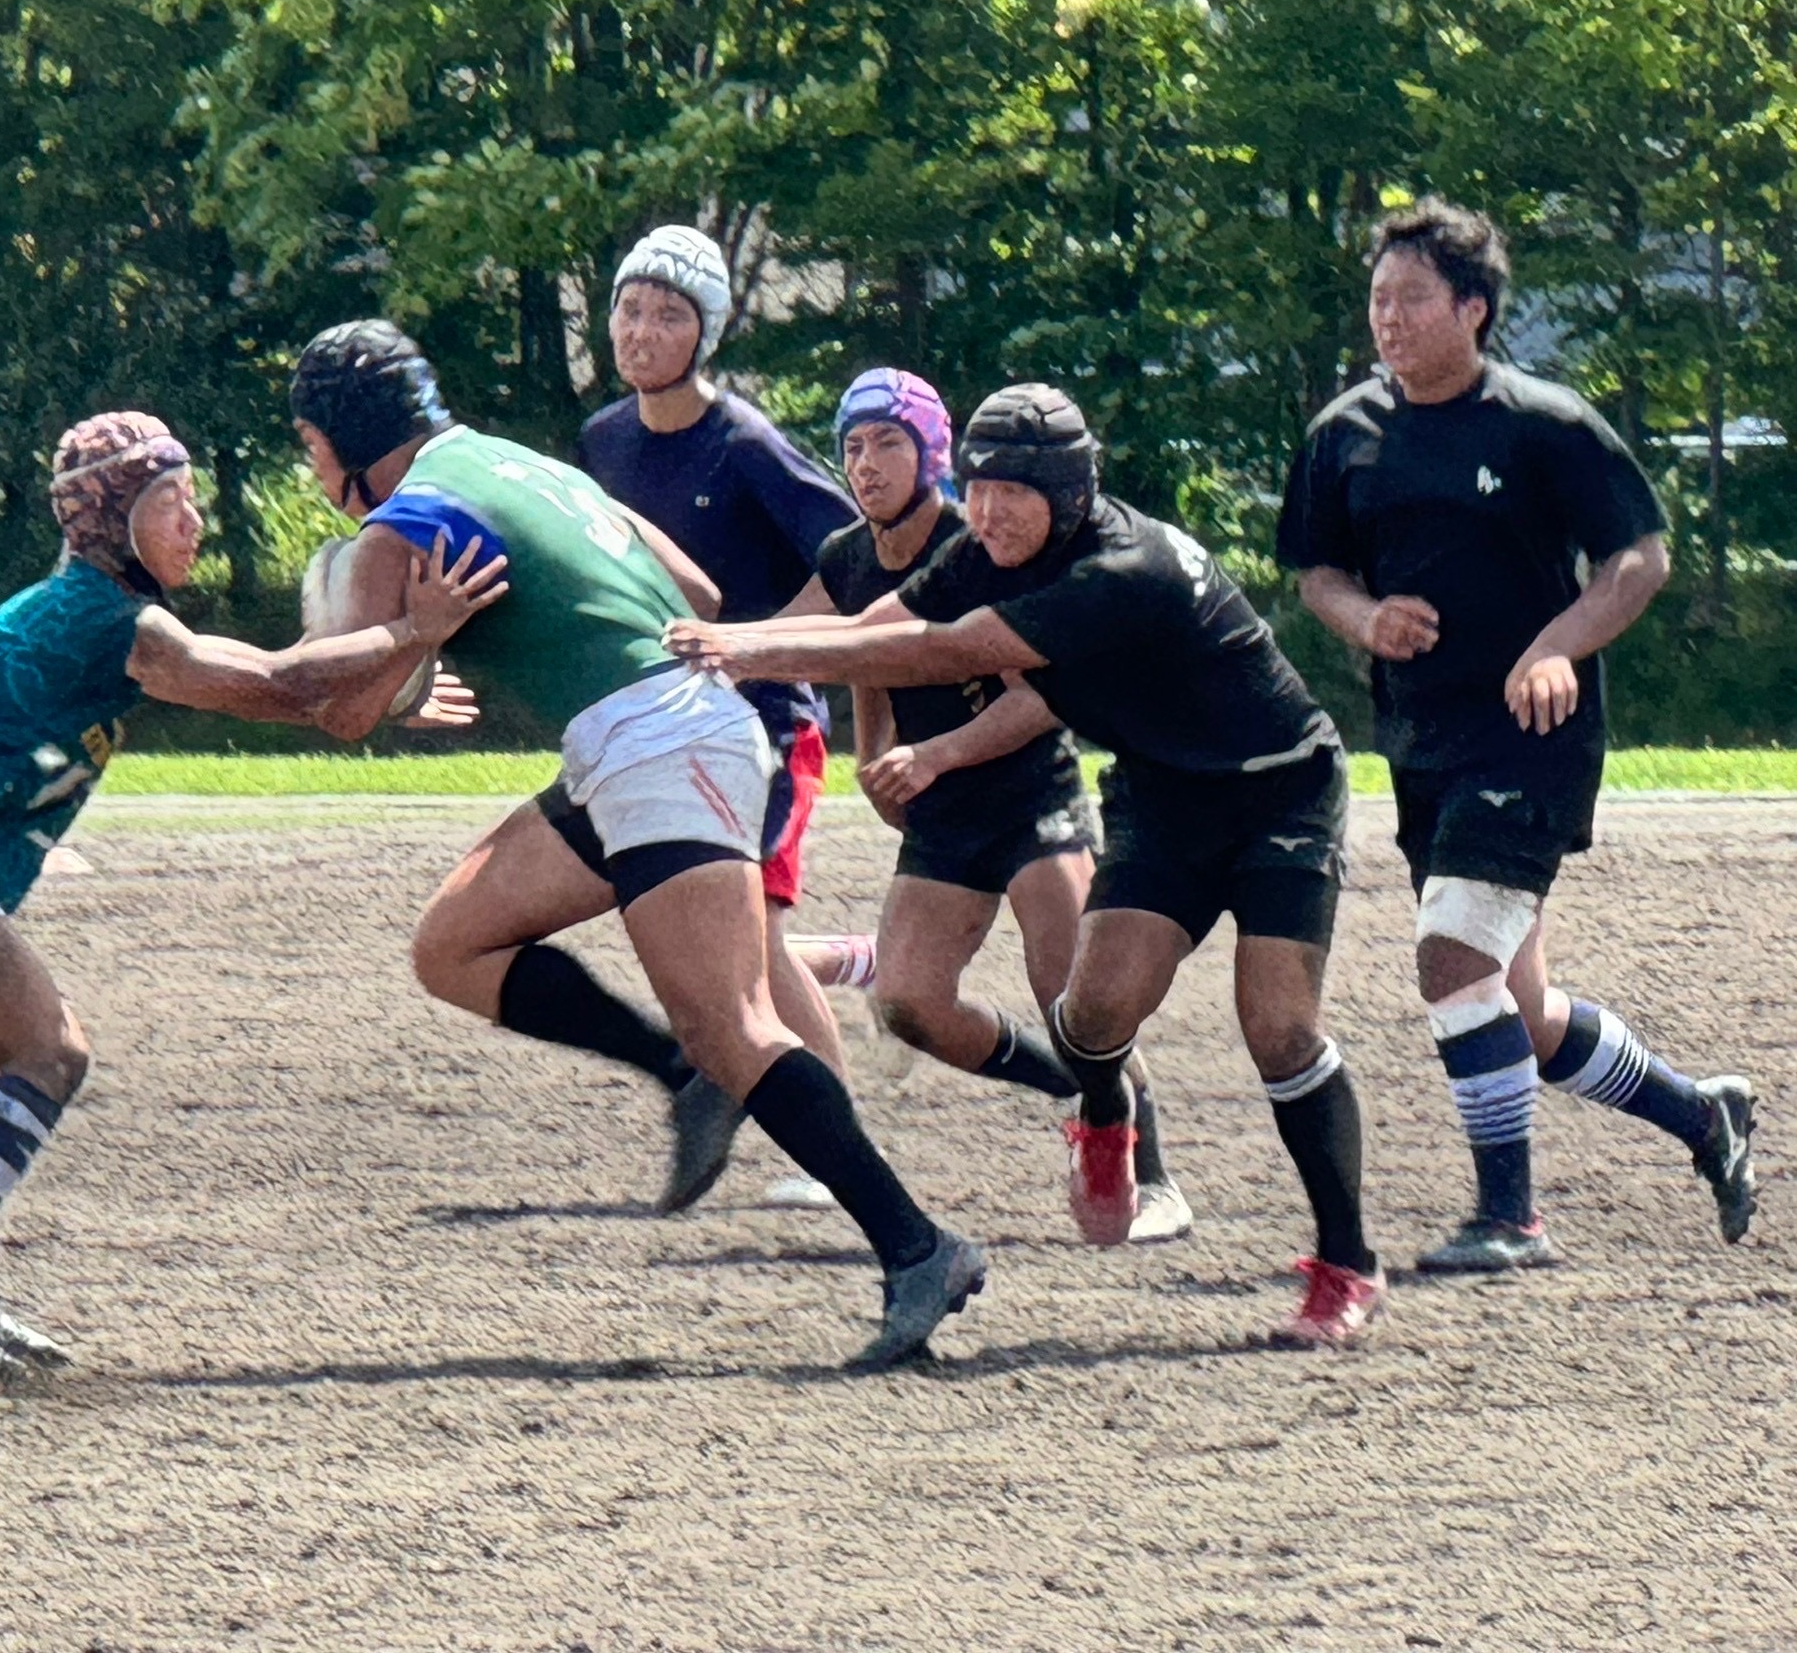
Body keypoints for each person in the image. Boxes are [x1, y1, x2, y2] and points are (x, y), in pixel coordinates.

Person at [289, 318, 985, 1369]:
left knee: (737, 1026)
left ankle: (919, 1247)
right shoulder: (519, 463)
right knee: (452, 944)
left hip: (657, 746)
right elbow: (696, 594)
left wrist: (417, 642)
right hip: (657, 734)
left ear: (342, 437)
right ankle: (679, 1072)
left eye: (309, 445)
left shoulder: (399, 527)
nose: (311, 467)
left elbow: (343, 713)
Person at [0, 411, 506, 1385]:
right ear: (113, 521)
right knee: (51, 1052)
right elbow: (282, 682)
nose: (193, 521)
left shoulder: (84, 612)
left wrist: (384, 680)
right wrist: (410, 632)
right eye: (170, 501)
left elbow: (288, 695)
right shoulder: (107, 616)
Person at [666, 383, 1386, 1347]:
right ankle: (1104, 1112)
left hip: (1281, 790)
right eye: (978, 487)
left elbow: (950, 649)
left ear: (1071, 493)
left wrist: (745, 655)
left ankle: (1346, 1263)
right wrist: (734, 644)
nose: (989, 511)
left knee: (1279, 1027)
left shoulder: (1121, 569)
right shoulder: (986, 549)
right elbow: (879, 624)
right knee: (1090, 1016)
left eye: (1014, 492)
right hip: (1165, 797)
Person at [1279, 197, 1757, 1271]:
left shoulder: (1545, 423)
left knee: (1452, 957)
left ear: (1474, 309)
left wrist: (1554, 647)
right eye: (1378, 299)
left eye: (1411, 298)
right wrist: (1365, 618)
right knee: (1520, 1011)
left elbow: (1639, 558)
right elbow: (1317, 573)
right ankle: (1703, 1116)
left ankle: (1510, 1217)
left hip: (1533, 739)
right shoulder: (1344, 434)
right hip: (1422, 743)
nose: (1388, 318)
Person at [779, 368, 1192, 1243]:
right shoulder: (849, 556)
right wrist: (870, 754)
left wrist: (934, 754)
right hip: (943, 810)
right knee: (909, 1003)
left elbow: (1042, 699)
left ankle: (1154, 1180)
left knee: (1074, 999)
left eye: (888, 442)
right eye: (853, 445)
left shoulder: (980, 544)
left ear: (932, 453)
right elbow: (850, 653)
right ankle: (1078, 1095)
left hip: (1029, 792)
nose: (867, 463)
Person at [577, 226, 862, 1206]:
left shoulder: (743, 443)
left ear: (705, 333)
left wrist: (754, 647)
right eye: (629, 309)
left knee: (758, 937)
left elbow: (855, 558)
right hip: (663, 729)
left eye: (668, 315)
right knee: (705, 934)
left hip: (771, 725)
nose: (642, 330)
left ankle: (834, 1153)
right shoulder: (603, 441)